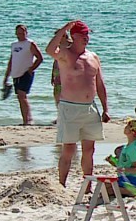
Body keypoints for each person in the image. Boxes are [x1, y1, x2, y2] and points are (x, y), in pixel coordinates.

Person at [46, 20, 110, 187]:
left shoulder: (93, 57)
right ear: (74, 36)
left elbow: (100, 84)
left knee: (89, 150)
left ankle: (87, 186)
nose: (86, 38)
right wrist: (64, 29)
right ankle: (61, 184)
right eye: (83, 35)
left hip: (90, 108)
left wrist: (105, 108)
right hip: (70, 107)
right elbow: (49, 50)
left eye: (87, 35)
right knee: (68, 149)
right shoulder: (65, 54)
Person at [3, 24, 44, 126]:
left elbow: (40, 58)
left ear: (26, 33)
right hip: (16, 73)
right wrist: (6, 76)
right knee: (20, 97)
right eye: (18, 33)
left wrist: (31, 69)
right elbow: (11, 61)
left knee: (22, 95)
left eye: (22, 33)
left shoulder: (30, 43)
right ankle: (26, 119)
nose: (20, 35)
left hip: (26, 73)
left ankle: (27, 121)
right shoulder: (14, 45)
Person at [113, 118, 136, 197]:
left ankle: (130, 192)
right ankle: (125, 191)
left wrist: (124, 169)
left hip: (132, 179)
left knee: (109, 189)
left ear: (132, 131)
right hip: (124, 177)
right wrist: (114, 162)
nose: (125, 127)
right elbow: (124, 162)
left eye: (127, 126)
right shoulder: (127, 146)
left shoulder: (134, 148)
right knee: (105, 186)